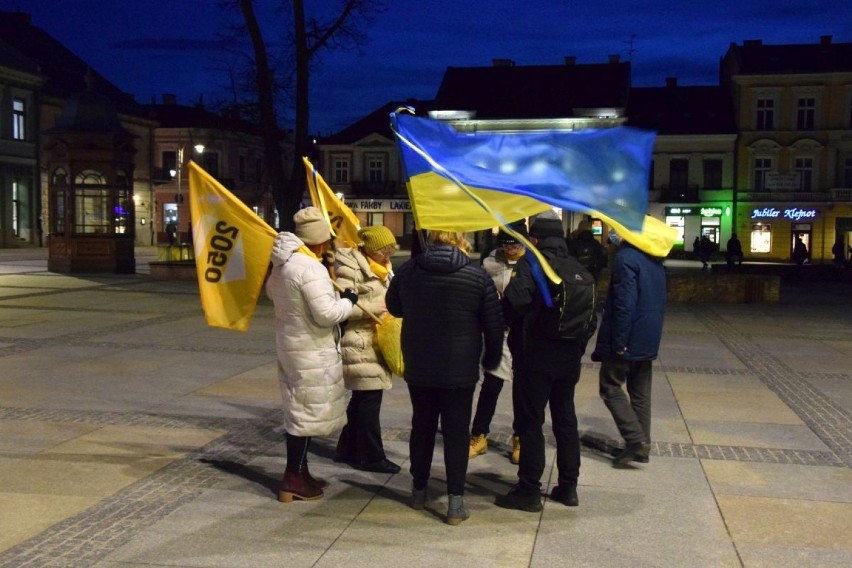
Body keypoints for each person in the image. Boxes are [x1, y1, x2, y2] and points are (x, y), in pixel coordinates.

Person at [386, 230, 503, 525]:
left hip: (420, 362)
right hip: (460, 368)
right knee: (456, 432)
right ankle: (455, 503)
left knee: (422, 427)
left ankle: (419, 492)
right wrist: (491, 360)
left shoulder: (410, 269)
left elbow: (393, 306)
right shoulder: (476, 275)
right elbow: (493, 324)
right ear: (460, 240)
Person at [496, 211, 591, 512]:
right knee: (565, 420)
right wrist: (575, 347)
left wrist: (520, 325)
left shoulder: (532, 263)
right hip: (568, 360)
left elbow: (515, 302)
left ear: (534, 239)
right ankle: (569, 487)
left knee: (531, 422)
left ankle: (529, 490)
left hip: (535, 356)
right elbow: (591, 318)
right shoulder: (578, 268)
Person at [266, 206, 359, 503]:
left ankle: (300, 473)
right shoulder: (310, 268)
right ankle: (292, 478)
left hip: (293, 346)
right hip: (311, 350)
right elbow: (327, 314)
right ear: (318, 239)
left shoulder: (283, 264)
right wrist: (348, 301)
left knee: (299, 408)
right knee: (304, 415)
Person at [591, 228, 666, 468]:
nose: (613, 236)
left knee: (610, 387)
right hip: (648, 335)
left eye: (616, 232)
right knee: (640, 393)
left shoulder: (626, 258)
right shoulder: (653, 258)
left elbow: (625, 303)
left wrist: (620, 340)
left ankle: (636, 441)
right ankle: (643, 447)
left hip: (629, 336)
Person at [334, 225, 401, 474]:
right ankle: (372, 457)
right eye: (384, 252)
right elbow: (342, 305)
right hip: (359, 340)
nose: (388, 256)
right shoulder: (349, 267)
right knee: (369, 399)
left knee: (363, 398)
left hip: (377, 338)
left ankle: (346, 448)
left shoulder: (383, 267)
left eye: (391, 251)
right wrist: (380, 305)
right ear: (371, 250)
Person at [469, 222, 527, 464]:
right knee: (492, 383)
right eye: (505, 244)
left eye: (514, 244)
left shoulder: (534, 263)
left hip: (525, 333)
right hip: (499, 331)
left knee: (523, 389)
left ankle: (520, 437)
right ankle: (479, 435)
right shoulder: (490, 261)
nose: (510, 249)